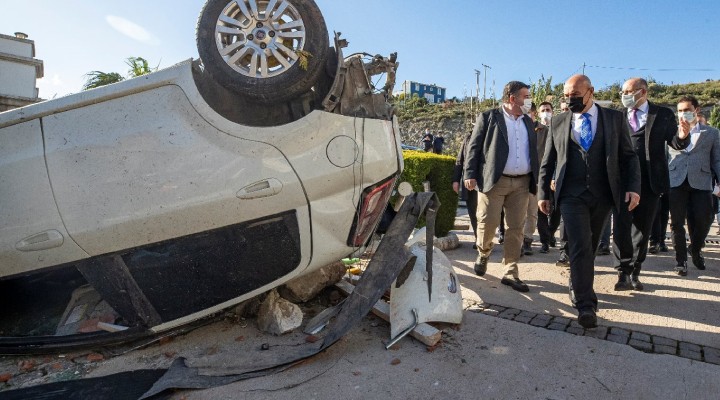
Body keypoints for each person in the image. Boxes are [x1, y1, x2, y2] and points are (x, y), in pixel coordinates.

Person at [538, 74, 641, 328]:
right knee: (581, 244)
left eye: (575, 96)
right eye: (567, 96)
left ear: (590, 92)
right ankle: (586, 306)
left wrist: (633, 188)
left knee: (591, 245)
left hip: (603, 194)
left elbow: (629, 157)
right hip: (571, 195)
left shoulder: (614, 119)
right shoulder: (559, 122)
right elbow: (548, 161)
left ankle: (576, 282)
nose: (570, 100)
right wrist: (543, 193)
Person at [612, 78, 688, 290]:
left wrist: (683, 135)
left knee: (642, 230)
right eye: (622, 92)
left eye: (628, 91)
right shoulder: (617, 115)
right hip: (622, 180)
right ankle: (622, 272)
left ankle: (635, 271)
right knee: (620, 226)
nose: (624, 95)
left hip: (651, 181)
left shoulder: (662, 114)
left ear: (642, 92)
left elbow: (676, 141)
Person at [464, 81, 539, 293]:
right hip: (495, 181)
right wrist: (470, 174)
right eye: (526, 96)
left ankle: (510, 271)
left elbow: (532, 151)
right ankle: (484, 252)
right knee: (488, 223)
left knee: (516, 228)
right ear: (512, 98)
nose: (529, 100)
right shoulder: (489, 117)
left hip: (522, 182)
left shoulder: (527, 121)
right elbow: (474, 148)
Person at [668, 95, 720, 275]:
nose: (683, 114)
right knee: (676, 223)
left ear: (696, 111)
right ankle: (681, 261)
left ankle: (695, 249)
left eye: (687, 110)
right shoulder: (671, 132)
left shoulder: (712, 133)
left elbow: (717, 160)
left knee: (705, 219)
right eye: (680, 110)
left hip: (701, 181)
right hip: (676, 180)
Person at [521, 102, 551, 255]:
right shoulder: (517, 128)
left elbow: (549, 154)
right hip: (518, 176)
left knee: (532, 211)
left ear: (534, 113)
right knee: (517, 211)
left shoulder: (544, 131)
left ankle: (527, 240)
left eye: (528, 113)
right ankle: (516, 240)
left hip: (536, 177)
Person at [453, 132, 477, 249]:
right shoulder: (468, 137)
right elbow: (460, 160)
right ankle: (479, 239)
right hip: (469, 183)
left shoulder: (491, 135)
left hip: (486, 183)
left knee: (485, 213)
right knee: (473, 211)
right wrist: (456, 180)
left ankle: (484, 239)